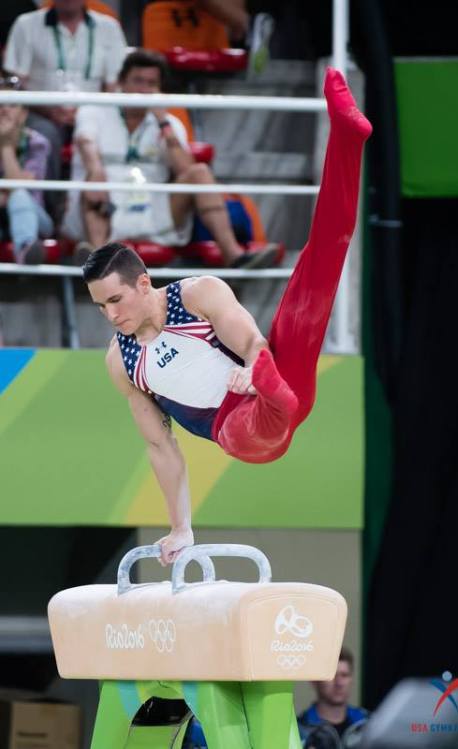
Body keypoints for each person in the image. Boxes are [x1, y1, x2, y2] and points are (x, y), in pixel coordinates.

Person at [82, 68, 372, 564]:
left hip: (272, 377)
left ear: (144, 282)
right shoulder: (122, 362)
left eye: (116, 300)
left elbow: (255, 343)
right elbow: (160, 447)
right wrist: (181, 528)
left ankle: (348, 135)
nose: (111, 315)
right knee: (245, 426)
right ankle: (271, 393)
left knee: (317, 270)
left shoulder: (198, 295)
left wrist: (253, 369)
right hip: (242, 429)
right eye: (101, 307)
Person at [63, 48, 279, 269]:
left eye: (151, 84)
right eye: (137, 81)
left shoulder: (170, 124)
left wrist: (164, 124)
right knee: (93, 179)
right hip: (103, 206)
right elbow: (85, 141)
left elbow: (186, 169)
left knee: (200, 173)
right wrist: (96, 170)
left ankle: (234, 255)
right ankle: (98, 262)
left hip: (152, 209)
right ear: (121, 82)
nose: (143, 90)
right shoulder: (94, 110)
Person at [3, 0, 127, 195]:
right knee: (45, 135)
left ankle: (102, 207)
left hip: (93, 112)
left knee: (96, 135)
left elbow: (115, 85)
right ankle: (45, 209)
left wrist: (88, 113)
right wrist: (48, 110)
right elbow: (15, 83)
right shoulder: (26, 24)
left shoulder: (109, 28)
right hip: (39, 111)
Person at [0, 73, 54, 264]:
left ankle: (26, 249)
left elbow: (19, 187)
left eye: (12, 105)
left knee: (20, 196)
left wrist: (5, 145)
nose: (4, 110)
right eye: (0, 104)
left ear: (23, 114)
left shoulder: (37, 143)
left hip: (35, 218)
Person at [298, 648, 368, 748]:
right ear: (314, 681)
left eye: (344, 675)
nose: (339, 683)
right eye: (331, 676)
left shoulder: (370, 724)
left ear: (351, 679)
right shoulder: (298, 730)